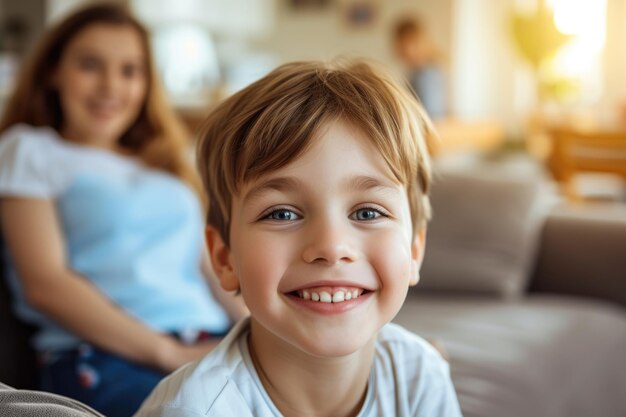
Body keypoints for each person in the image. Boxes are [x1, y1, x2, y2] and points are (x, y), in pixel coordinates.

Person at [135, 60, 462, 417]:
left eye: (368, 213)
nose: (331, 247)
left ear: (414, 249)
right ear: (224, 258)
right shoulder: (195, 409)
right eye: (282, 214)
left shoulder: (420, 377)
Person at [0, 4, 246, 417]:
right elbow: (45, 282)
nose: (110, 86)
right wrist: (169, 353)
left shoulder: (164, 164)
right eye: (90, 65)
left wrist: (260, 331)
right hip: (106, 354)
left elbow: (208, 267)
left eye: (130, 70)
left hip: (211, 342)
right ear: (53, 72)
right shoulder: (30, 150)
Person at [393, 16, 448, 120]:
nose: (405, 48)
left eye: (409, 42)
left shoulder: (427, 74)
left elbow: (430, 114)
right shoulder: (416, 72)